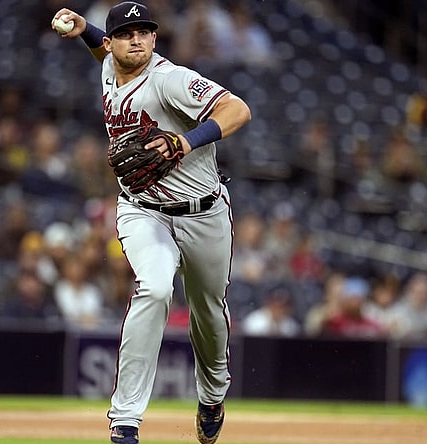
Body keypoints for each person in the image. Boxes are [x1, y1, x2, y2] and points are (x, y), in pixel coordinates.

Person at [51, 3, 252, 444]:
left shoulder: (169, 79)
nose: (136, 39)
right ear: (112, 42)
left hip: (204, 213)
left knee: (209, 316)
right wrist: (84, 28)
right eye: (126, 33)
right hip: (143, 209)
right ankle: (125, 422)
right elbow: (102, 55)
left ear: (155, 38)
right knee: (156, 287)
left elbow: (238, 110)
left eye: (144, 31)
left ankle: (213, 394)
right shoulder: (108, 67)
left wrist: (185, 140)